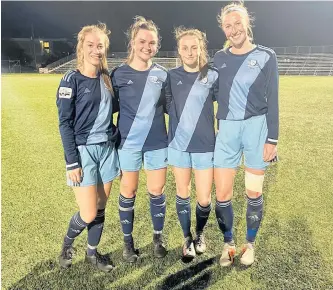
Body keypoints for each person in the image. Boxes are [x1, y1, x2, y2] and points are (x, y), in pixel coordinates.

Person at [213, 2, 279, 267]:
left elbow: (273, 99)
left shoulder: (266, 55)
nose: (233, 29)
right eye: (228, 26)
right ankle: (228, 244)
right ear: (223, 29)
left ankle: (249, 245)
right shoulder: (218, 58)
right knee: (222, 194)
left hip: (256, 127)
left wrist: (272, 139)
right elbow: (211, 93)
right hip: (227, 129)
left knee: (253, 192)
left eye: (237, 23)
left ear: (247, 23)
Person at [56, 23, 119, 272]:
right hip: (84, 152)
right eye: (90, 45)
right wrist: (72, 161)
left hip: (107, 150)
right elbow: (64, 122)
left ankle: (92, 255)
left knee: (101, 207)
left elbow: (113, 112)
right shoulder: (71, 80)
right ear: (81, 47)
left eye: (100, 45)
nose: (96, 50)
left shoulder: (107, 79)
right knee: (89, 212)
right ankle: (67, 245)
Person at [111, 16, 169, 263]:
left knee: (156, 190)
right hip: (129, 144)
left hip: (157, 142)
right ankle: (128, 242)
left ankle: (157, 238)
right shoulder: (118, 75)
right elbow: (107, 110)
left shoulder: (163, 75)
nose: (147, 46)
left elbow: (171, 109)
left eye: (152, 42)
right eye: (142, 41)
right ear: (132, 42)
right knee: (129, 190)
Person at [166, 27, 218, 259]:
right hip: (178, 145)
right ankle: (186, 237)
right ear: (178, 50)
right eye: (184, 47)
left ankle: (200, 233)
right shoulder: (171, 76)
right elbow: (166, 106)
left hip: (205, 144)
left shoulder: (212, 75)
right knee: (182, 192)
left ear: (200, 49)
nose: (189, 52)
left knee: (204, 198)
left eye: (194, 47)